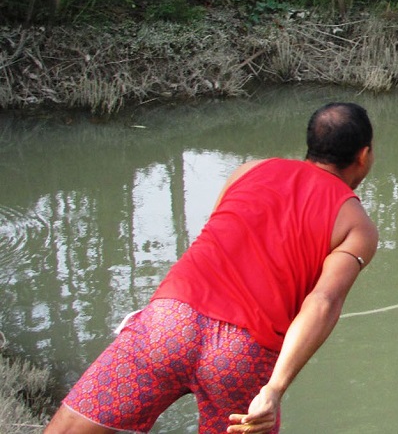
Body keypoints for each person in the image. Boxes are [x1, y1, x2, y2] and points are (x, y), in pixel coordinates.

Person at [45, 102, 380, 434]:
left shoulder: (248, 171)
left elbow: (217, 239)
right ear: (363, 156)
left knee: (69, 428)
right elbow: (322, 302)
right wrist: (273, 389)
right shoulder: (356, 225)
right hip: (241, 353)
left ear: (311, 143)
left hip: (170, 320)